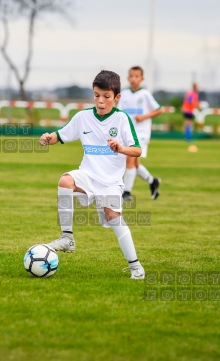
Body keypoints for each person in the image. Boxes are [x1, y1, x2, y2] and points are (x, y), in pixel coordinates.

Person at [39, 70, 145, 279]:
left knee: (114, 218)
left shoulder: (122, 119)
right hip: (88, 176)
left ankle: (135, 266)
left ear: (117, 98)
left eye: (106, 96)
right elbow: (60, 135)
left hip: (111, 182)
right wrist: (47, 138)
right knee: (65, 180)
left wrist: (121, 148)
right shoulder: (83, 117)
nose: (101, 101)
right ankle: (67, 238)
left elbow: (137, 150)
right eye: (97, 95)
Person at [117, 66, 162, 202]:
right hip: (128, 133)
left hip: (141, 133)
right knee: (134, 164)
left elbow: (158, 110)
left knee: (130, 159)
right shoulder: (124, 94)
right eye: (131, 76)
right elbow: (119, 113)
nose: (133, 79)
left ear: (142, 79)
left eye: (136, 76)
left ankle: (126, 192)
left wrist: (144, 117)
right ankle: (152, 181)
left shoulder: (145, 94)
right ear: (127, 78)